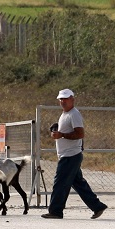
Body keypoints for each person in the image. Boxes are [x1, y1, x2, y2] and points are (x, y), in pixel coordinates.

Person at [42, 88, 108, 220]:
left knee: (60, 183)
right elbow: (69, 130)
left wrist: (62, 135)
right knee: (78, 183)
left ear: (72, 99)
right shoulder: (65, 114)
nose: (63, 101)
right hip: (69, 155)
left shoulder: (74, 114)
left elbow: (80, 134)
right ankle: (97, 206)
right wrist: (57, 129)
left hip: (70, 155)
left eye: (66, 99)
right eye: (61, 99)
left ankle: (55, 211)